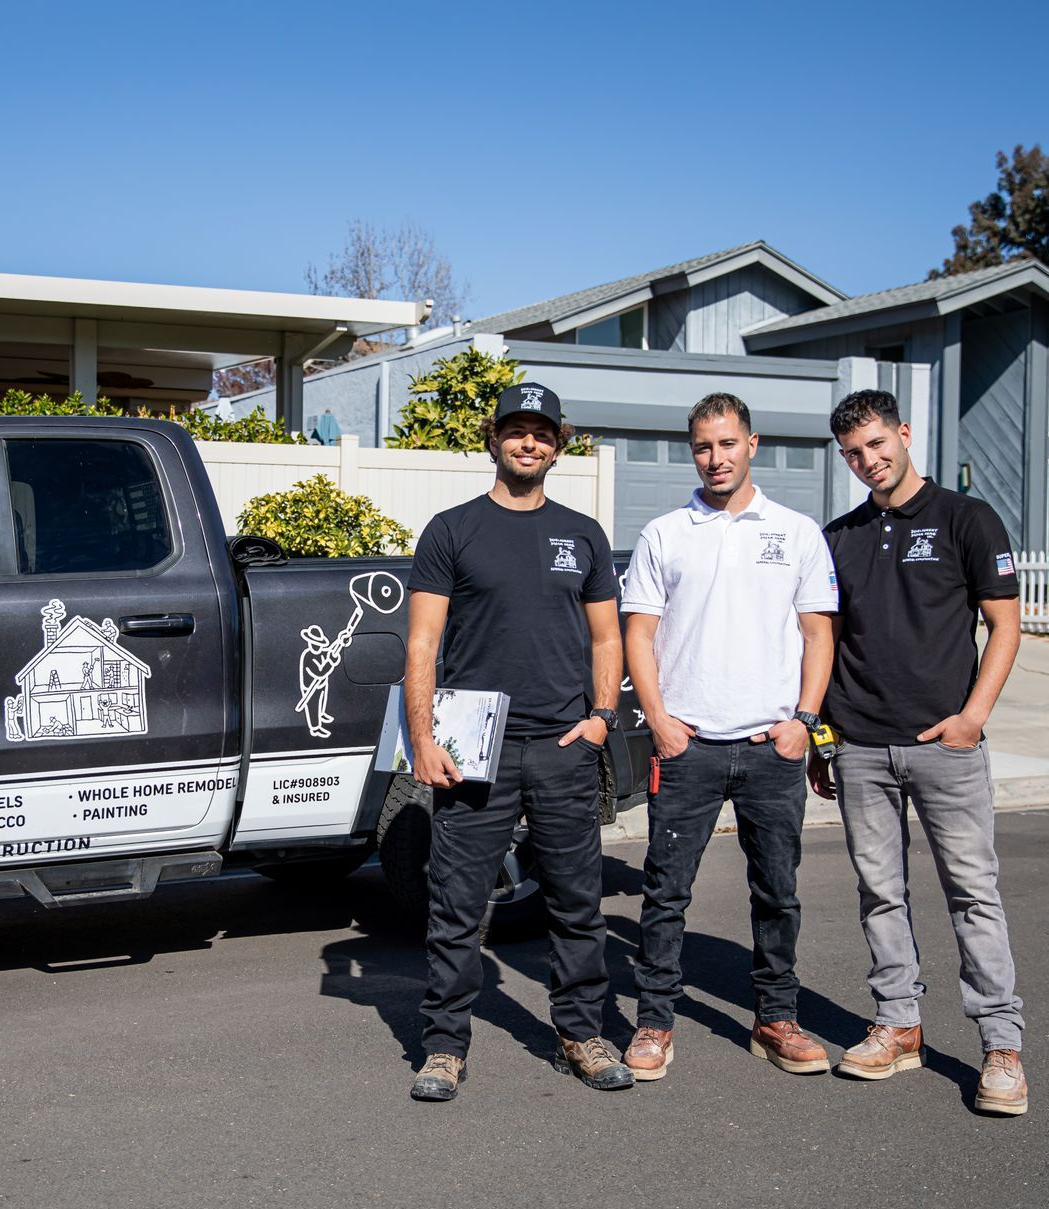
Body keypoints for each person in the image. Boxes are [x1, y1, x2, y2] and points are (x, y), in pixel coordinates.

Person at [405, 381, 632, 1100]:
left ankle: (580, 1034)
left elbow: (607, 636)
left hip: (563, 742)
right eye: (514, 430)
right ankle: (443, 1047)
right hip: (475, 748)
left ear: (557, 442)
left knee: (575, 903)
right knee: (456, 903)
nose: (527, 442)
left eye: (540, 431)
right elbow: (421, 643)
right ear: (491, 438)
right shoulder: (451, 529)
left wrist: (600, 717)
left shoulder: (583, 534)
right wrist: (421, 739)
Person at [813, 389, 1026, 1115]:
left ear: (902, 434)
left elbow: (1004, 627)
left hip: (945, 746)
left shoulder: (965, 519)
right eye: (852, 453)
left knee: (972, 894)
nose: (868, 461)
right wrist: (824, 737)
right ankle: (897, 1026)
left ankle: (1001, 1047)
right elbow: (825, 643)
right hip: (861, 747)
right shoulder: (837, 536)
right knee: (879, 893)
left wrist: (971, 716)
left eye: (876, 444)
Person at [619, 391, 838, 1081]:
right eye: (702, 447)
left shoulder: (797, 531)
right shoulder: (664, 533)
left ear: (751, 444)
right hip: (687, 748)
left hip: (769, 748)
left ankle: (775, 1017)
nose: (715, 458)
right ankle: (653, 1022)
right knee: (664, 892)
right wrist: (657, 720)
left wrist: (801, 722)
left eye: (726, 444)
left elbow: (816, 633)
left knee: (776, 890)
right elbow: (638, 634)